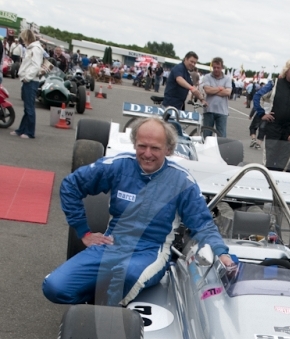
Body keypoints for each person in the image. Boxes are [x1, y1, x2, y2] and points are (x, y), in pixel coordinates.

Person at [42, 118, 235, 307]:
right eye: (142, 146)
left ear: (168, 149)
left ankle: (105, 307)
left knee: (122, 279)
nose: (147, 154)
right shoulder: (119, 165)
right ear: (134, 143)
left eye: (155, 148)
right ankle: (99, 299)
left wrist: (222, 253)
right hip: (112, 244)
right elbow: (70, 185)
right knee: (54, 287)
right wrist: (83, 232)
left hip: (151, 251)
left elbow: (203, 224)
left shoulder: (182, 181)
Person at [253, 58, 290, 170]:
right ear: (286, 71)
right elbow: (257, 96)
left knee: (284, 160)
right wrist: (262, 114)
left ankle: (278, 183)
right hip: (273, 127)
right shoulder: (275, 83)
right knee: (270, 160)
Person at [10, 29, 44, 140]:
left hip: (30, 81)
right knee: (27, 108)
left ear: (27, 38)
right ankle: (22, 129)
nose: (22, 41)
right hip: (29, 80)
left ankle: (29, 132)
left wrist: (27, 78)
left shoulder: (35, 49)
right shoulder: (33, 49)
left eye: (23, 38)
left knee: (29, 108)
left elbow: (35, 66)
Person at [202, 57, 232, 138]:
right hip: (209, 110)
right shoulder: (207, 77)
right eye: (214, 67)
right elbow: (207, 90)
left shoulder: (227, 78)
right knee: (206, 136)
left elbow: (228, 92)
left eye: (218, 67)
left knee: (222, 136)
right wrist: (220, 88)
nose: (216, 69)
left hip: (222, 111)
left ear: (222, 67)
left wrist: (213, 89)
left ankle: (220, 150)